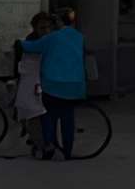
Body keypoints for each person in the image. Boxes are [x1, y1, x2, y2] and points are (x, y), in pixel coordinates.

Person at [17, 10, 88, 161]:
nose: (47, 30)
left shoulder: (51, 38)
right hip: (75, 86)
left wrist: (17, 44)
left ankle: (50, 147)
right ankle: (67, 152)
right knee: (68, 119)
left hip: (52, 87)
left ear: (57, 24)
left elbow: (27, 47)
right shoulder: (79, 37)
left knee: (48, 117)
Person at [12, 13, 55, 158]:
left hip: (42, 82)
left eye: (49, 27)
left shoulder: (48, 40)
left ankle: (40, 142)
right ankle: (42, 145)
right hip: (34, 82)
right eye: (43, 27)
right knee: (34, 113)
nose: (46, 30)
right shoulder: (31, 42)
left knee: (37, 113)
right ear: (35, 28)